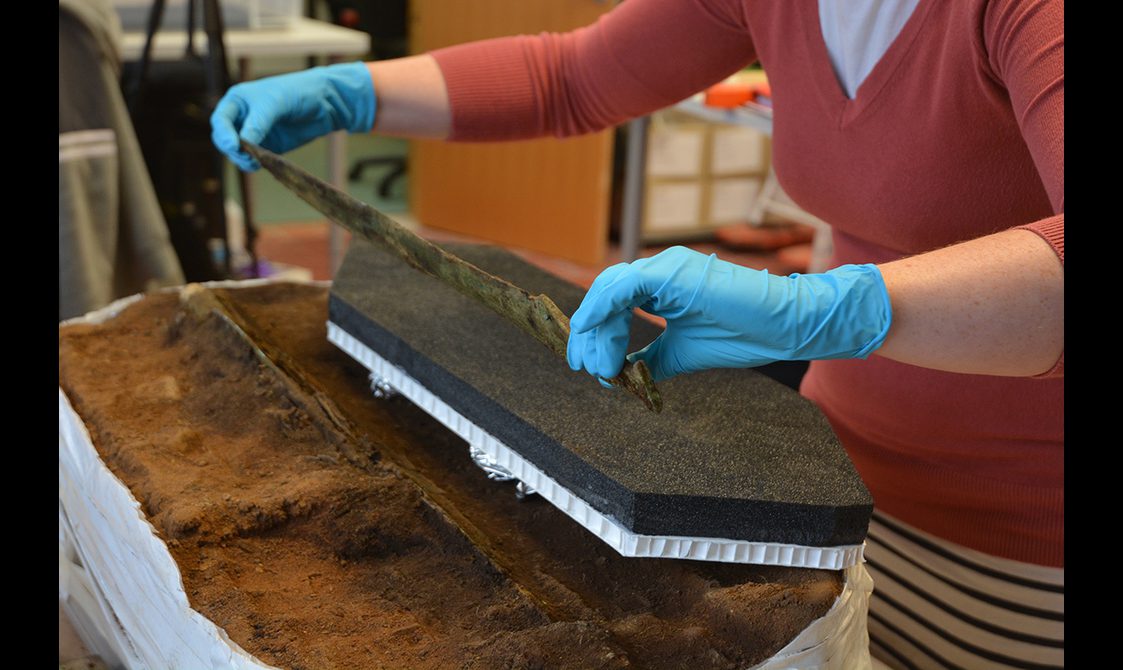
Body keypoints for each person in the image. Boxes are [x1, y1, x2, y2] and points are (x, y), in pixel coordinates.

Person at [211, 1, 1063, 666]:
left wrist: (825, 310)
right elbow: (573, 75)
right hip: (827, 484)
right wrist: (353, 91)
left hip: (1017, 542)